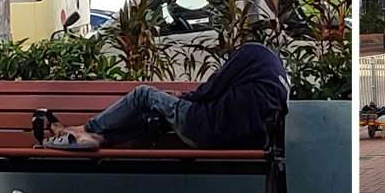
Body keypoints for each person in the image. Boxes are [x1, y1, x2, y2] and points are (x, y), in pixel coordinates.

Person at [42, 42, 289, 150]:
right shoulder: (276, 77)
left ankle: (84, 128)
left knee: (143, 95)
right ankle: (98, 138)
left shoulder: (250, 53)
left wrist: (182, 97)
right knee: (154, 116)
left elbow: (211, 89)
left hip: (203, 126)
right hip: (242, 142)